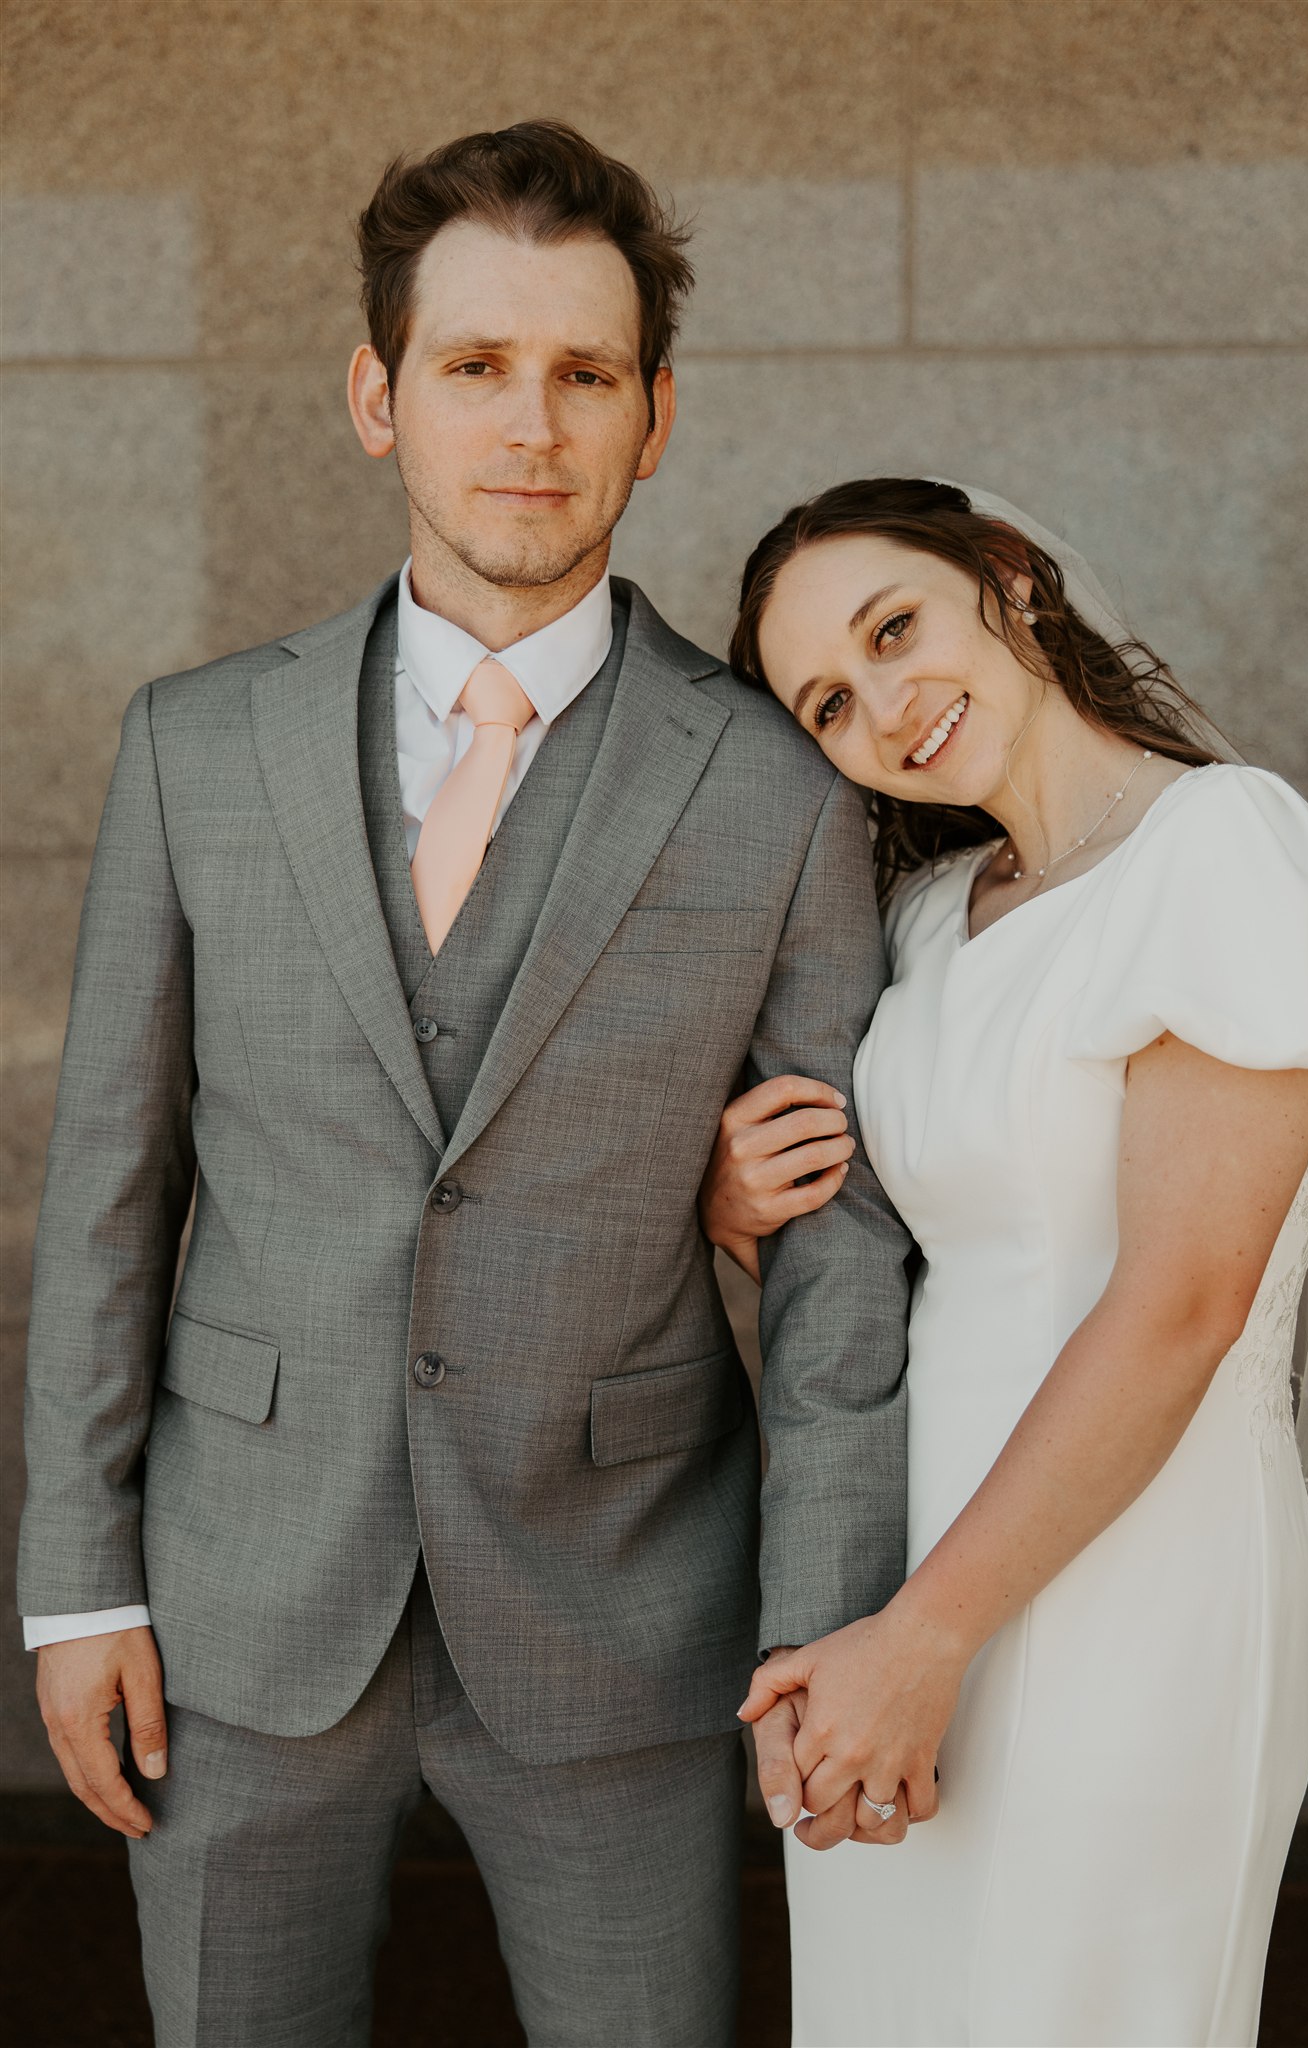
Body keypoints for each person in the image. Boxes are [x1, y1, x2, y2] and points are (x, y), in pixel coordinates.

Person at [16, 125, 914, 2047]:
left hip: (631, 1619)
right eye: (474, 366)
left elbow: (839, 1250)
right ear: (376, 394)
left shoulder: (777, 785)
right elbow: (111, 1186)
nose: (533, 424)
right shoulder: (195, 747)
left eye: (585, 373)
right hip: (239, 1603)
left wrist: (823, 1624)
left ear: (654, 416)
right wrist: (74, 1587)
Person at [701, 477, 1308, 2047]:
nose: (885, 707)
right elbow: (901, 1285)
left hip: (1128, 1577)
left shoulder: (1225, 849)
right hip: (896, 1578)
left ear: (1010, 579)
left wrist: (926, 1640)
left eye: (896, 629)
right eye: (828, 699)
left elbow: (1181, 1306)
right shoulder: (921, 921)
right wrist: (742, 1216)